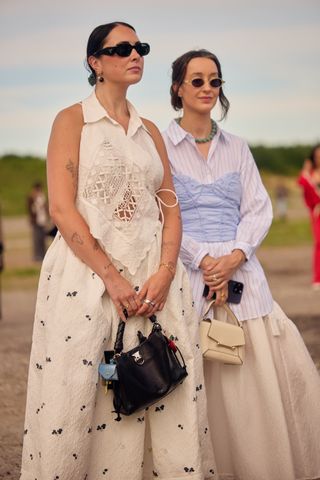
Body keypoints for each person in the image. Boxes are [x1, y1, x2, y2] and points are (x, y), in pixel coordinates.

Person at [20, 23, 216, 480]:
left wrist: (167, 271)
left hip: (155, 283)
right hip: (87, 279)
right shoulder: (72, 121)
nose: (135, 55)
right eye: (123, 48)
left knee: (166, 390)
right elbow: (63, 211)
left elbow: (170, 205)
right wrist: (112, 278)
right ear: (95, 62)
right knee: (79, 393)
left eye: (140, 48)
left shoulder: (149, 130)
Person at [162, 49, 320, 480]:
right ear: (178, 88)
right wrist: (203, 259)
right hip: (187, 271)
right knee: (193, 374)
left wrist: (234, 257)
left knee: (250, 383)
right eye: (197, 81)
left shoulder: (238, 147)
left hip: (240, 271)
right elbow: (161, 214)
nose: (207, 89)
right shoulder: (160, 147)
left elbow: (258, 209)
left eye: (215, 81)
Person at [298, 146, 320, 289]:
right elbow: (301, 183)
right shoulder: (310, 174)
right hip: (317, 214)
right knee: (319, 243)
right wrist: (305, 170)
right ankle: (318, 278)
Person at [26, 181, 49, 261]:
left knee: (43, 239)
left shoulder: (43, 197)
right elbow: (31, 209)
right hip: (36, 222)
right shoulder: (31, 198)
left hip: (43, 221)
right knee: (36, 239)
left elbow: (46, 208)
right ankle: (37, 256)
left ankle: (43, 255)